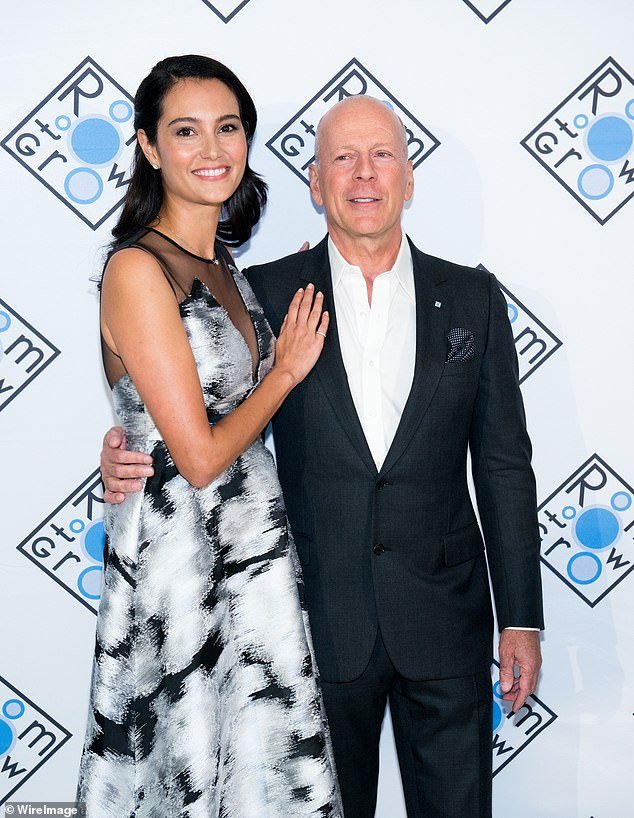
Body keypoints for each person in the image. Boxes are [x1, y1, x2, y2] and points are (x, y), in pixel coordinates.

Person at [101, 94, 544, 818]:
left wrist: (521, 617)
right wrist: (125, 446)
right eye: (343, 157)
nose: (363, 174)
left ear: (409, 177)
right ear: (315, 182)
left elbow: (503, 468)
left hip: (447, 620)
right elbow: (199, 406)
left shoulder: (472, 297)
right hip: (308, 620)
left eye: (381, 156)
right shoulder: (262, 295)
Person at [78, 55, 343, 818]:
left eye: (227, 127)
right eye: (186, 131)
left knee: (258, 775)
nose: (212, 148)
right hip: (180, 564)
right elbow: (195, 458)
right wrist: (284, 373)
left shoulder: (224, 263)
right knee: (189, 772)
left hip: (251, 555)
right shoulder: (137, 268)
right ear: (150, 146)